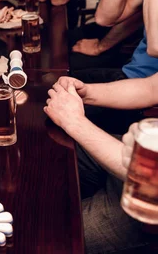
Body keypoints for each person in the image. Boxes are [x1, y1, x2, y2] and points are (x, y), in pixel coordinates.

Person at [45, 75, 155, 253]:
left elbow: (150, 179)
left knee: (51, 237)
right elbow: (151, 87)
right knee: (49, 154)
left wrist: (74, 121)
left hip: (148, 201)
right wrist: (85, 93)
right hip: (130, 159)